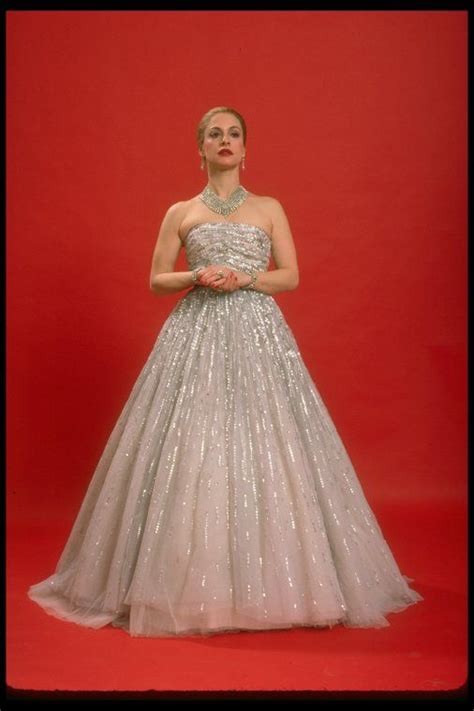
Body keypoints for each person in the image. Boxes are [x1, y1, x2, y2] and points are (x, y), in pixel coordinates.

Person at [27, 106, 423, 637]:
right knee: (191, 447)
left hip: (260, 336)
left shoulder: (269, 207)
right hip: (194, 335)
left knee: (265, 442)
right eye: (215, 134)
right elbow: (156, 281)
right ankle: (185, 586)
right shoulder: (181, 212)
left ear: (246, 147)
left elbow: (291, 276)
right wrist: (196, 273)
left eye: (234, 133)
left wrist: (246, 277)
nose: (225, 140)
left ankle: (279, 585)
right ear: (201, 148)